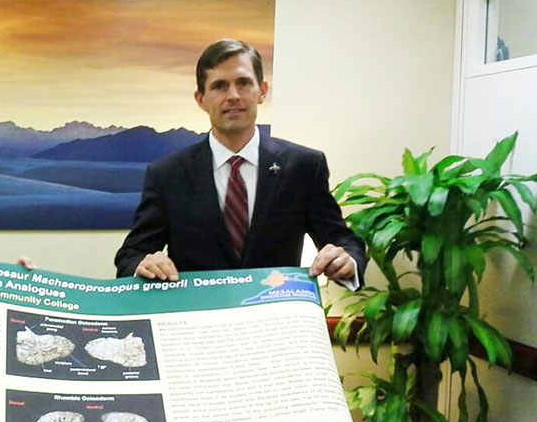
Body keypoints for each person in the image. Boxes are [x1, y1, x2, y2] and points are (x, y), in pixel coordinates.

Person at [114, 39, 365, 286]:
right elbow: (131, 254)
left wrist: (346, 261)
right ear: (201, 99)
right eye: (220, 86)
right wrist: (142, 265)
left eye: (243, 83)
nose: (233, 95)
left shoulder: (304, 166)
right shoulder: (168, 174)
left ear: (262, 91)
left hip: (275, 316)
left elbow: (342, 240)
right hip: (197, 320)